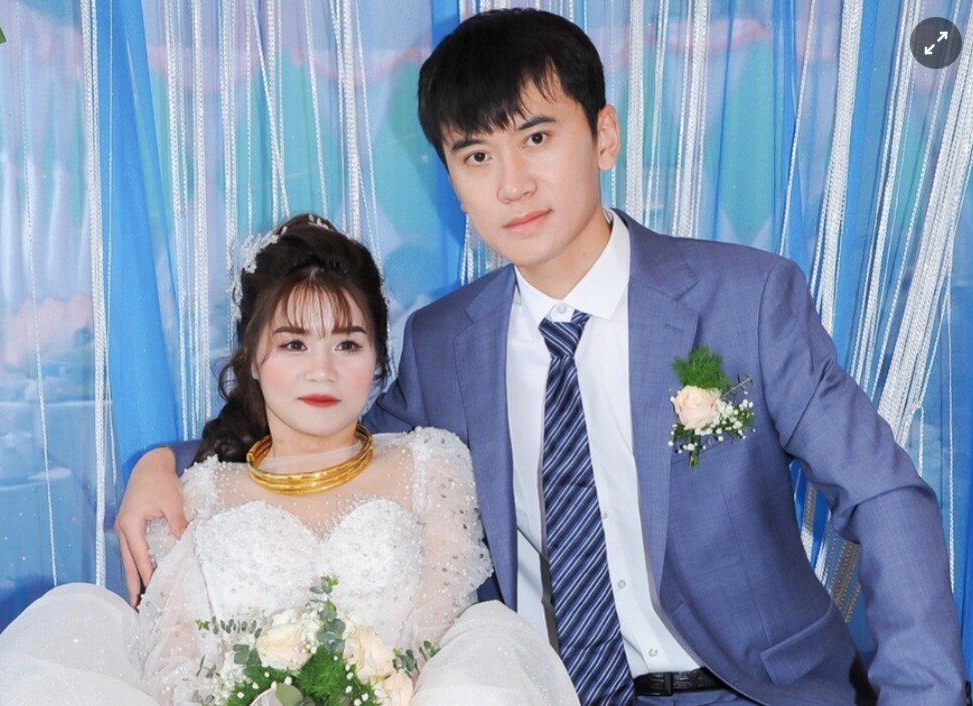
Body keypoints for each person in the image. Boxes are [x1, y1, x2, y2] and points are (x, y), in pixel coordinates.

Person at [117, 9, 968, 706]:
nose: (512, 185)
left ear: (603, 136)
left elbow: (883, 495)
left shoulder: (744, 299)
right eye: (476, 156)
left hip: (751, 690)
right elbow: (334, 443)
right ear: (452, 180)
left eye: (535, 138)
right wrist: (164, 463)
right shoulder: (447, 343)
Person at [0, 215, 579, 706]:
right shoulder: (197, 496)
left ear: (378, 359)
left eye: (347, 344)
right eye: (294, 344)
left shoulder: (431, 468)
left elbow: (438, 637)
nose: (322, 370)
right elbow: (176, 669)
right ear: (252, 358)